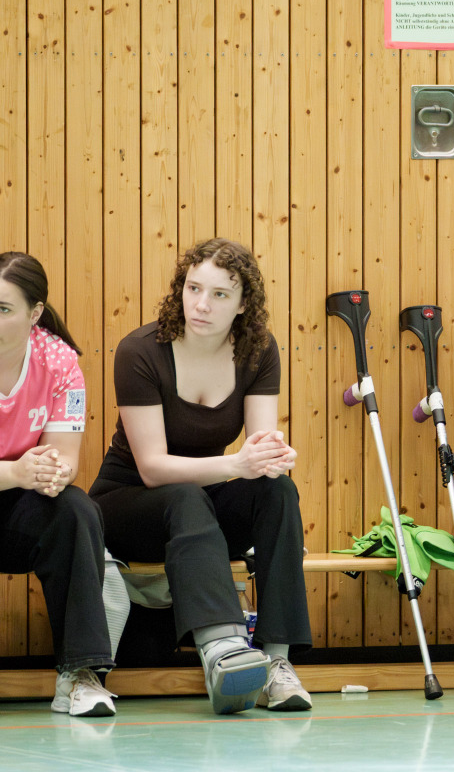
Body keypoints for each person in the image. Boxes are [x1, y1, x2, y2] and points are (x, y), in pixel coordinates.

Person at [89, 238, 312, 714]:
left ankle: (276, 662)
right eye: (193, 288)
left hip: (198, 513)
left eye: (219, 294)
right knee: (185, 496)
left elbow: (259, 448)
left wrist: (273, 458)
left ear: (243, 304)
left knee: (277, 490)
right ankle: (222, 653)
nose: (201, 305)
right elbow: (152, 468)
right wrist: (236, 465)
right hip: (127, 504)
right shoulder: (140, 351)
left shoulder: (258, 349)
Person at [0, 251, 117, 717]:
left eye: (3, 309)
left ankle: (79, 674)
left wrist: (51, 473)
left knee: (76, 509)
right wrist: (14, 472)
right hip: (10, 479)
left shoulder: (60, 361)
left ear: (35, 314)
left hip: (19, 508)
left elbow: (64, 457)